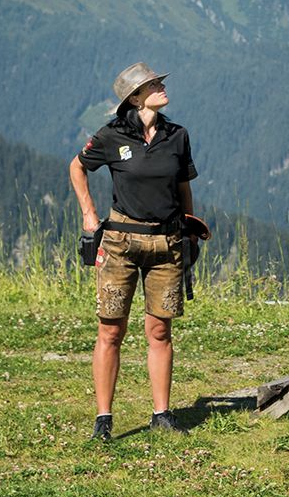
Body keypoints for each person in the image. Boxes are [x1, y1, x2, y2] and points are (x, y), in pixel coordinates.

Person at [68, 61, 198, 441]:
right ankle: (103, 419)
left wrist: (190, 227)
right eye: (153, 84)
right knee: (111, 330)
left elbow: (184, 186)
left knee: (160, 330)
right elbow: (77, 167)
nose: (161, 86)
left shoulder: (178, 135)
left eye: (158, 82)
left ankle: (162, 413)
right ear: (135, 97)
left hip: (167, 242)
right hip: (120, 243)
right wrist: (89, 215)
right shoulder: (110, 136)